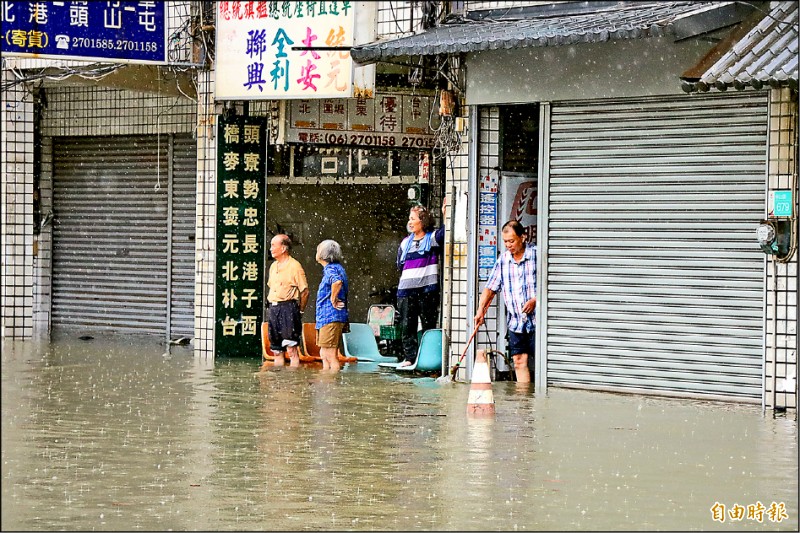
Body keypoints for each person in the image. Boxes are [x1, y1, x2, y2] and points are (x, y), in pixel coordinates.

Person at [474, 220, 536, 383]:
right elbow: (490, 288)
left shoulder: (536, 255)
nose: (508, 245)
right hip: (516, 322)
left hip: (539, 322)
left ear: (523, 237)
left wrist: (536, 300)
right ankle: (524, 404)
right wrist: (480, 310)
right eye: (506, 241)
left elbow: (551, 285)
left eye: (512, 241)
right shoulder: (503, 260)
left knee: (545, 362)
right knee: (519, 362)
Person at [396, 200, 447, 367]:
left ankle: (427, 358)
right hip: (406, 291)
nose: (410, 222)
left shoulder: (431, 238)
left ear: (423, 221)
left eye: (413, 219)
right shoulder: (405, 242)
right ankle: (410, 357)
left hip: (427, 290)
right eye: (409, 219)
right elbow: (400, 265)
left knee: (428, 325)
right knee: (407, 326)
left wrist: (446, 213)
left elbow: (444, 234)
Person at [265, 234, 309, 368]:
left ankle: (292, 384)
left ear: (283, 248)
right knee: (277, 351)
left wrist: (300, 310)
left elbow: (305, 291)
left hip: (288, 308)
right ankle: (278, 383)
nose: (271, 248)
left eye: (273, 245)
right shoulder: (273, 266)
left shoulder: (295, 266)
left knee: (291, 349)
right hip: (273, 308)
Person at [314, 239, 349, 373]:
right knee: (324, 354)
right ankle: (326, 383)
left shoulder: (331, 269)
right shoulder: (338, 268)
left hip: (330, 316)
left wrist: (333, 299)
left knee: (330, 355)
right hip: (329, 317)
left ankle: (331, 384)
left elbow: (337, 282)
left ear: (323, 254)